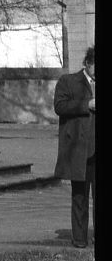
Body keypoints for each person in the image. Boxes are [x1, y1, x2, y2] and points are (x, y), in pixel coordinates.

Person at [53, 46, 94, 249]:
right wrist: (87, 104)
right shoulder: (68, 81)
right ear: (87, 63)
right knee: (79, 197)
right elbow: (59, 107)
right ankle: (79, 239)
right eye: (95, 64)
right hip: (80, 151)